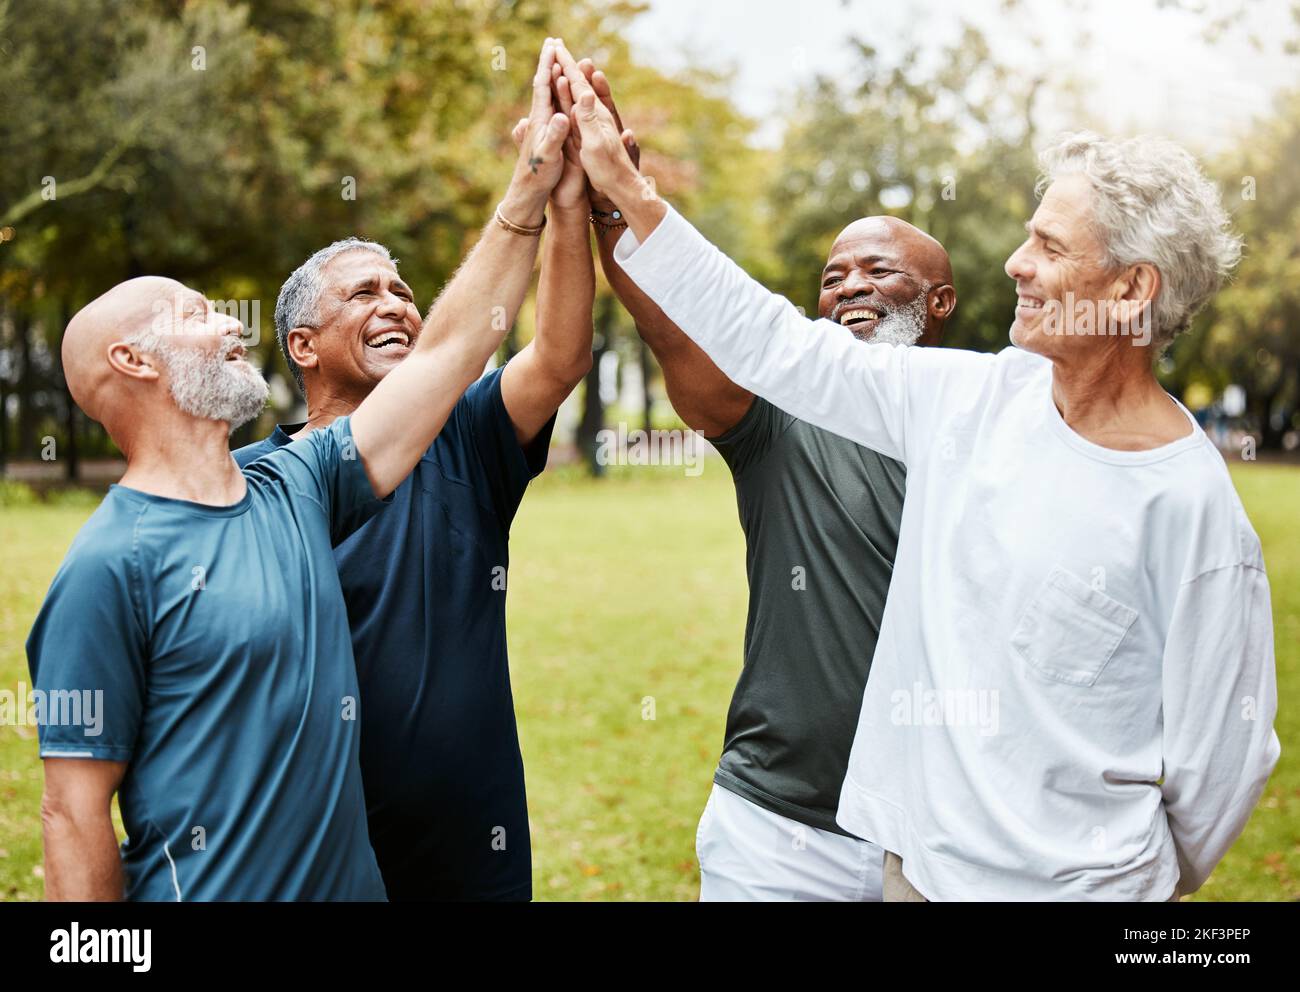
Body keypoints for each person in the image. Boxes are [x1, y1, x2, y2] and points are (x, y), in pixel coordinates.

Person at [557, 45, 1280, 901]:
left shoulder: (1192, 511)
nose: (1015, 263)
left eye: (1047, 245)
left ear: (1129, 292)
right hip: (917, 878)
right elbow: (773, 342)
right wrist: (627, 198)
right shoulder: (968, 401)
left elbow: (1221, 765)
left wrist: (1113, 881)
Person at [27, 39, 573, 901]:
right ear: (135, 361)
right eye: (199, 316)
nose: (232, 328)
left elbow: (455, 350)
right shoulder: (105, 569)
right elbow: (70, 814)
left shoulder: (299, 486)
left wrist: (532, 185)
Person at [562, 62, 957, 901]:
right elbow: (674, 331)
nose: (850, 285)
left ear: (940, 301)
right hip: (778, 833)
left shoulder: (981, 420)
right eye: (834, 275)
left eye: (878, 271)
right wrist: (612, 203)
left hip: (937, 835)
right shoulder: (777, 413)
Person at [231, 61, 594, 904]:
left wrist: (569, 204)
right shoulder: (254, 481)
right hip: (314, 837)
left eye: (402, 289)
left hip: (470, 840)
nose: (395, 302)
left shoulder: (467, 431)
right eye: (363, 294)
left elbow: (562, 354)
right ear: (303, 346)